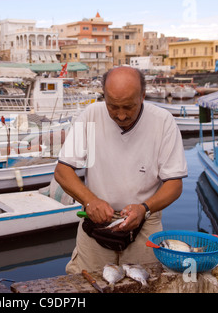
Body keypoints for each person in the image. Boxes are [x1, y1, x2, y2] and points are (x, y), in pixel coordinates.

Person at [54, 67, 188, 274]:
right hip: (96, 219)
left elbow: (174, 184)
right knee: (84, 282)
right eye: (113, 107)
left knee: (146, 284)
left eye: (128, 107)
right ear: (104, 97)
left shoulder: (163, 121)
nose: (121, 115)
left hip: (144, 221)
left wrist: (144, 208)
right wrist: (90, 201)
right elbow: (63, 171)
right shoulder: (91, 114)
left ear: (142, 96)